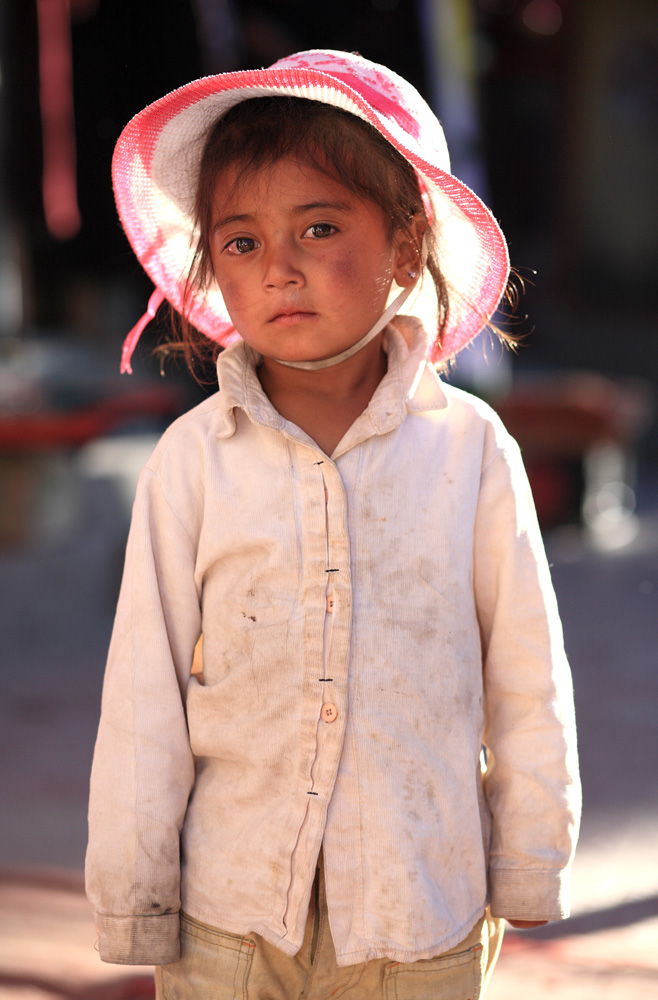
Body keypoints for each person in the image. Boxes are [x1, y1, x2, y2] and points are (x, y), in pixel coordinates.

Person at [86, 49, 581, 999]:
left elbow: (525, 675)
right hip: (225, 927)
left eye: (318, 226)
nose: (279, 269)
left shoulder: (471, 451)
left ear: (403, 246)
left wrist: (529, 858)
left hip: (418, 917)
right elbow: (144, 699)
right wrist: (135, 894)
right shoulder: (193, 463)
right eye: (240, 243)